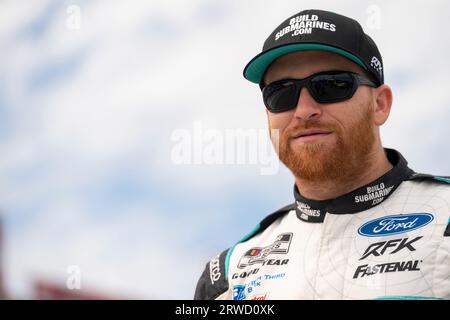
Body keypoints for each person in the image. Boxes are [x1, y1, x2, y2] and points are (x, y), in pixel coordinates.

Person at [194, 9, 450, 300]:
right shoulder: (228, 274)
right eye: (281, 93)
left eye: (331, 86)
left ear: (380, 104)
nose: (304, 110)